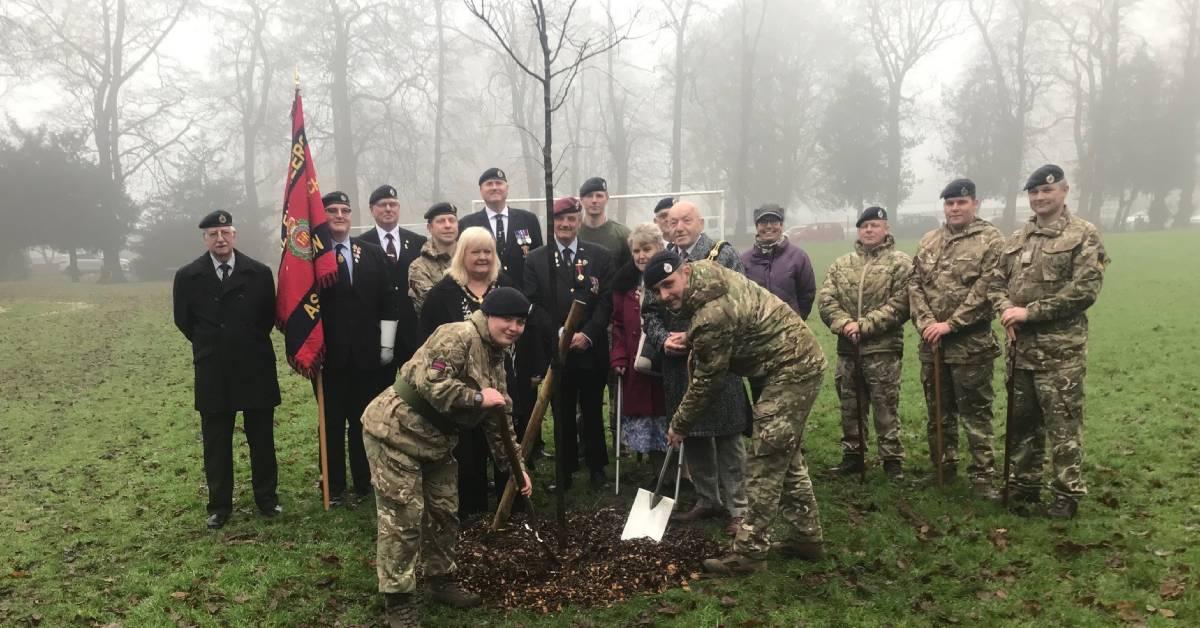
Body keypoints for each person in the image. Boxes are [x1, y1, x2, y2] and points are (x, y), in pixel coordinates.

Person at [361, 287, 534, 627]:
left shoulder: (497, 357)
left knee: (444, 512)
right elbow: (433, 384)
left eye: (520, 322)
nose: (514, 328)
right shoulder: (457, 335)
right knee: (403, 518)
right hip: (394, 432)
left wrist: (516, 469)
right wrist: (476, 398)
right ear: (488, 316)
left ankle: (440, 580)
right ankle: (398, 600)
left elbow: (499, 422)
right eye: (507, 320)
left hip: (436, 443)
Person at [646, 251, 828, 575]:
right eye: (658, 290)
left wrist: (679, 424)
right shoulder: (706, 274)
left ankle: (749, 554)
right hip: (789, 359)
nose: (665, 295)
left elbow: (708, 381)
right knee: (786, 457)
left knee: (766, 461)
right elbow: (727, 323)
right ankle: (806, 538)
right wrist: (693, 339)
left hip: (792, 368)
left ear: (685, 271)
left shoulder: (710, 316)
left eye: (668, 284)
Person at [987, 164, 1109, 519]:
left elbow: (1085, 291)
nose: (1040, 198)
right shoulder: (1018, 238)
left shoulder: (1084, 235)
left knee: (1063, 425)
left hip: (1060, 354)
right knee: (1022, 424)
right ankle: (1024, 485)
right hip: (1020, 352)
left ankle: (1066, 494)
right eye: (1034, 192)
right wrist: (1006, 307)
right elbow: (995, 283)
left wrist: (1030, 312)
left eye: (1047, 191)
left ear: (1064, 192)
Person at [643, 200, 750, 535]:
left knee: (728, 434)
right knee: (693, 433)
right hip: (677, 364)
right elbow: (649, 312)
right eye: (672, 222)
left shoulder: (722, 254)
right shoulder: (659, 261)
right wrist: (663, 341)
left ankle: (738, 508)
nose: (678, 227)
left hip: (718, 358)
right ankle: (707, 499)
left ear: (700, 221)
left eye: (686, 220)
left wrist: (693, 336)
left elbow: (740, 300)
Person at [172, 209, 280, 529]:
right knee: (216, 442)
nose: (220, 239)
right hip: (213, 369)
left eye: (226, 233)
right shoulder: (188, 276)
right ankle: (219, 505)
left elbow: (267, 316)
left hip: (254, 364)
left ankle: (267, 499)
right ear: (204, 238)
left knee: (261, 439)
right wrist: (214, 343)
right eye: (213, 234)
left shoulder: (259, 273)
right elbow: (184, 321)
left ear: (234, 236)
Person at [910, 179, 1005, 498]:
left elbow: (988, 288)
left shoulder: (990, 239)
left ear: (974, 204)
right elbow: (914, 285)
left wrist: (950, 324)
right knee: (938, 413)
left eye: (961, 202)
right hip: (932, 345)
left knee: (976, 414)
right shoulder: (929, 241)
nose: (954, 208)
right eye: (949, 203)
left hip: (970, 346)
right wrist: (926, 323)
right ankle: (943, 468)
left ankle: (982, 476)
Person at [419, 226, 516, 518]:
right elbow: (427, 340)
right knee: (467, 449)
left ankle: (508, 503)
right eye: (476, 251)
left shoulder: (505, 285)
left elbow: (524, 326)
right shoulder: (442, 292)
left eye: (488, 251)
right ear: (463, 254)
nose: (483, 257)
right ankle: (471, 508)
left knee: (503, 434)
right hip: (461, 390)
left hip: (500, 378)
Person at [523, 196, 615, 490]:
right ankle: (564, 471)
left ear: (579, 221)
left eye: (571, 219)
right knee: (561, 412)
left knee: (591, 409)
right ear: (552, 223)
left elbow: (606, 302)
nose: (565, 225)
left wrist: (588, 333)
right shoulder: (536, 258)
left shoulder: (599, 256)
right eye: (560, 220)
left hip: (590, 347)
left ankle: (597, 468)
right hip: (556, 349)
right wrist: (559, 333)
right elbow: (532, 304)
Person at [315, 191, 400, 506]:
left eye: (345, 210)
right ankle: (334, 485)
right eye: (332, 210)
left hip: (367, 355)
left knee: (363, 420)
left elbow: (388, 301)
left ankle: (365, 482)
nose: (339, 215)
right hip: (328, 357)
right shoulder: (312, 256)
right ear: (322, 216)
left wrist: (387, 345)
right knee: (332, 421)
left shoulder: (371, 252)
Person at [818, 206, 913, 480]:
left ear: (886, 228)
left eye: (874, 225)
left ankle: (892, 460)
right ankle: (853, 455)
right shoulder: (842, 263)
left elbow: (901, 303)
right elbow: (826, 300)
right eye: (864, 226)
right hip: (848, 349)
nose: (869, 230)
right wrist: (844, 325)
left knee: (885, 406)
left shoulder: (900, 263)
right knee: (850, 404)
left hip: (882, 350)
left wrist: (864, 325)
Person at [610, 223, 668, 470]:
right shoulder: (624, 284)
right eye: (636, 251)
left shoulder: (668, 280)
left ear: (659, 249)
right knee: (646, 416)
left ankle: (676, 470)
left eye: (647, 249)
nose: (642, 256)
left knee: (666, 413)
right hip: (636, 362)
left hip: (664, 362)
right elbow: (618, 325)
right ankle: (655, 470)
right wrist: (619, 357)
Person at [359, 184, 425, 369]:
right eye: (382, 204)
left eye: (393, 204)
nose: (388, 209)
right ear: (372, 210)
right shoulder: (361, 244)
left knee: (414, 389)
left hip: (411, 330)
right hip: (377, 331)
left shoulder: (418, 242)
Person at [458, 167, 543, 287]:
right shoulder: (467, 224)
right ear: (481, 190)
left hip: (524, 296)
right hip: (484, 297)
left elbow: (538, 261)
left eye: (499, 183)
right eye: (489, 184)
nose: (494, 187)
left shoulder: (528, 220)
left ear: (507, 188)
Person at [741, 204, 816, 320]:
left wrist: (796, 319)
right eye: (763, 222)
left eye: (774, 222)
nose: (769, 226)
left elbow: (807, 294)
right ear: (756, 227)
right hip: (755, 333)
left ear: (781, 225)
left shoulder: (799, 257)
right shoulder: (744, 260)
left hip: (790, 330)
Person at [408, 202, 458, 317]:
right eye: (441, 221)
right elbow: (430, 309)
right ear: (429, 228)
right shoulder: (419, 267)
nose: (448, 225)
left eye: (452, 220)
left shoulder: (471, 257)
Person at [578, 176, 632, 268]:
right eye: (589, 196)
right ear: (581, 200)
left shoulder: (622, 234)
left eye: (599, 196)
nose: (594, 200)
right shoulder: (574, 234)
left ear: (607, 198)